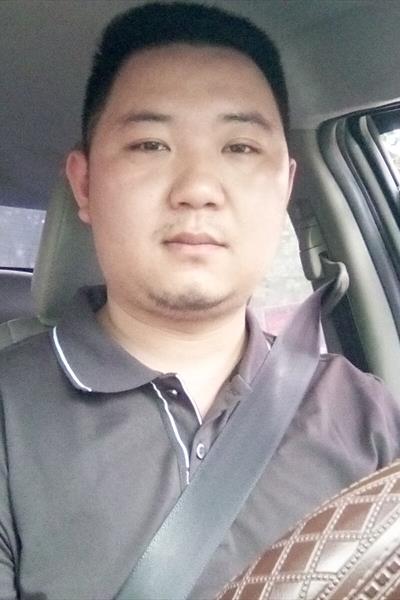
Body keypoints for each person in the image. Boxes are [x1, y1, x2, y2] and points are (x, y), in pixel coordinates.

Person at [0, 2, 399, 599]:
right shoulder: (9, 417)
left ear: (285, 186)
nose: (198, 189)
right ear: (84, 185)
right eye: (150, 144)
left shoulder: (366, 413)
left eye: (240, 148)